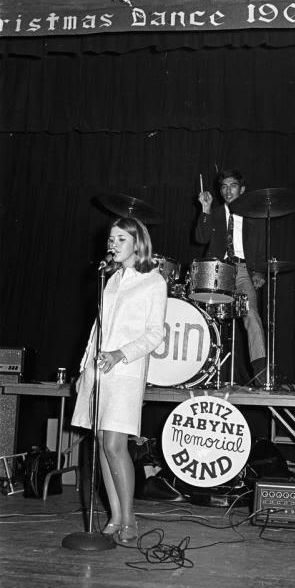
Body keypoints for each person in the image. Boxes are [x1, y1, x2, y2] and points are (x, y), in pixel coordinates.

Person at [71, 217, 167, 543]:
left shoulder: (153, 282)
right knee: (100, 441)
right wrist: (85, 367)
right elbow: (97, 328)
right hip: (99, 370)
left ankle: (130, 518)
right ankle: (114, 515)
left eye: (120, 239)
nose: (112, 244)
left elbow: (155, 334)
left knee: (114, 443)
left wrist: (120, 354)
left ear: (137, 243)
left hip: (125, 369)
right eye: (111, 238)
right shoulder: (110, 279)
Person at [195, 169, 266, 385]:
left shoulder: (255, 215)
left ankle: (262, 374)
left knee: (251, 315)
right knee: (207, 320)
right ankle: (200, 372)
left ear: (242, 189)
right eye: (223, 186)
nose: (227, 190)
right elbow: (200, 238)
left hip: (243, 270)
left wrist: (259, 271)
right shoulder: (215, 213)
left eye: (232, 185)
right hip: (219, 270)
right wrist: (205, 209)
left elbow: (261, 246)